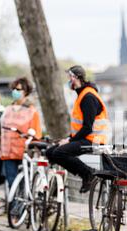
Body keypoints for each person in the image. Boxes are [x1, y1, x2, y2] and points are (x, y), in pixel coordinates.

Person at [46, 66, 110, 194]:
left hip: (94, 140)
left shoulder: (88, 97)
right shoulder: (82, 95)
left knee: (59, 153)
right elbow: (80, 127)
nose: (68, 80)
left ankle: (88, 174)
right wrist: (68, 138)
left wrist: (70, 140)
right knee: (50, 152)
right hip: (86, 138)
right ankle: (53, 188)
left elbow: (87, 127)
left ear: (76, 78)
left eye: (70, 77)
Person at [0, 77, 42, 187]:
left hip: (24, 153)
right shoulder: (8, 109)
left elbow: (35, 132)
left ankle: (20, 204)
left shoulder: (31, 111)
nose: (15, 92)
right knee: (11, 182)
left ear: (26, 92)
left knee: (23, 183)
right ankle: (13, 204)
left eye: (18, 89)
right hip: (8, 153)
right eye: (14, 89)